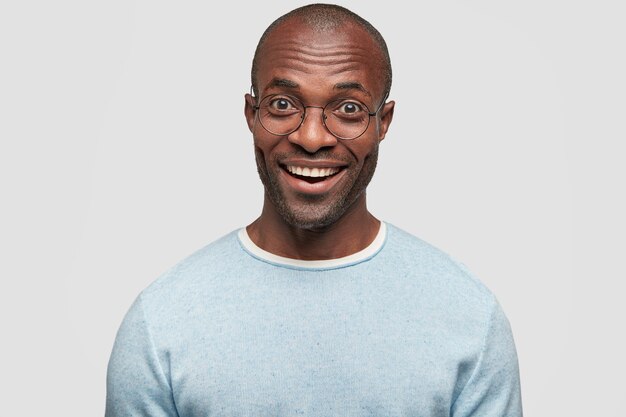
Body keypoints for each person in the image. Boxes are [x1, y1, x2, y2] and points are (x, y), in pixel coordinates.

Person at [105, 4, 523, 417]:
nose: (311, 137)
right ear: (252, 115)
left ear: (384, 122)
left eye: (348, 109)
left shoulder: (468, 318)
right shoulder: (162, 323)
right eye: (283, 105)